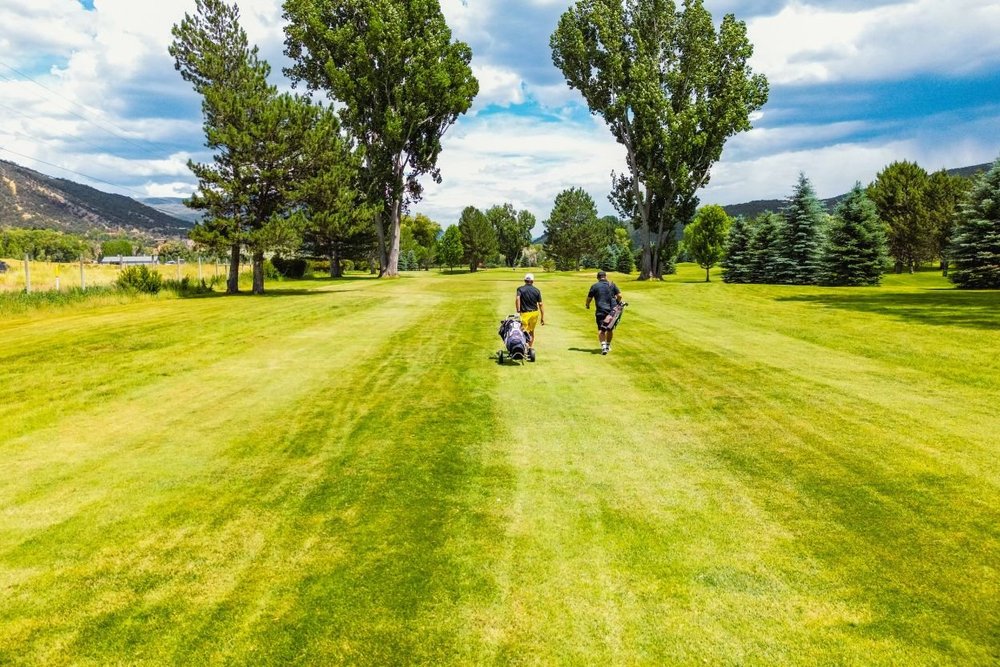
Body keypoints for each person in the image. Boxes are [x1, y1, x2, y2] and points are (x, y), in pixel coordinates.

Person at [585, 270, 622, 355]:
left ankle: (603, 347)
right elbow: (620, 295)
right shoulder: (612, 284)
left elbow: (589, 298)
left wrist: (587, 304)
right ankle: (608, 345)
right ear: (605, 277)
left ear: (598, 278)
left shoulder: (594, 286)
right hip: (612, 311)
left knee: (601, 329)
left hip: (600, 310)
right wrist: (617, 302)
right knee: (609, 329)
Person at [515, 273, 544, 353]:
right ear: (532, 281)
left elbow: (518, 299)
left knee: (522, 331)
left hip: (525, 314)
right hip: (534, 313)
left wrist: (518, 310)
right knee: (531, 331)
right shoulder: (537, 290)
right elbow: (540, 304)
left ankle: (523, 347)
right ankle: (529, 348)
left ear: (525, 280)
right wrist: (542, 317)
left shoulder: (520, 289)